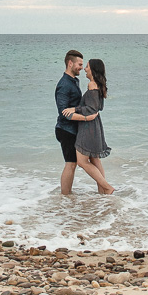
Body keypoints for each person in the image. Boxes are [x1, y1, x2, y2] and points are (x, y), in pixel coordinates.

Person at [63, 58, 114, 194]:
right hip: (95, 125)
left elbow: (91, 109)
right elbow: (98, 107)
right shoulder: (99, 85)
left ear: (93, 70)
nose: (85, 69)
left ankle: (107, 187)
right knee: (95, 160)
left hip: (88, 126)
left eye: (87, 67)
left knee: (81, 161)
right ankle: (103, 193)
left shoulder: (92, 85)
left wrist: (74, 109)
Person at [54, 49, 84, 195]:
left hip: (73, 129)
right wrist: (86, 117)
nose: (81, 67)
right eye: (79, 64)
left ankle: (67, 195)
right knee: (71, 163)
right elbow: (63, 112)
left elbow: (73, 107)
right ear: (70, 63)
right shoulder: (64, 84)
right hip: (66, 130)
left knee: (74, 163)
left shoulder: (74, 81)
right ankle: (65, 196)